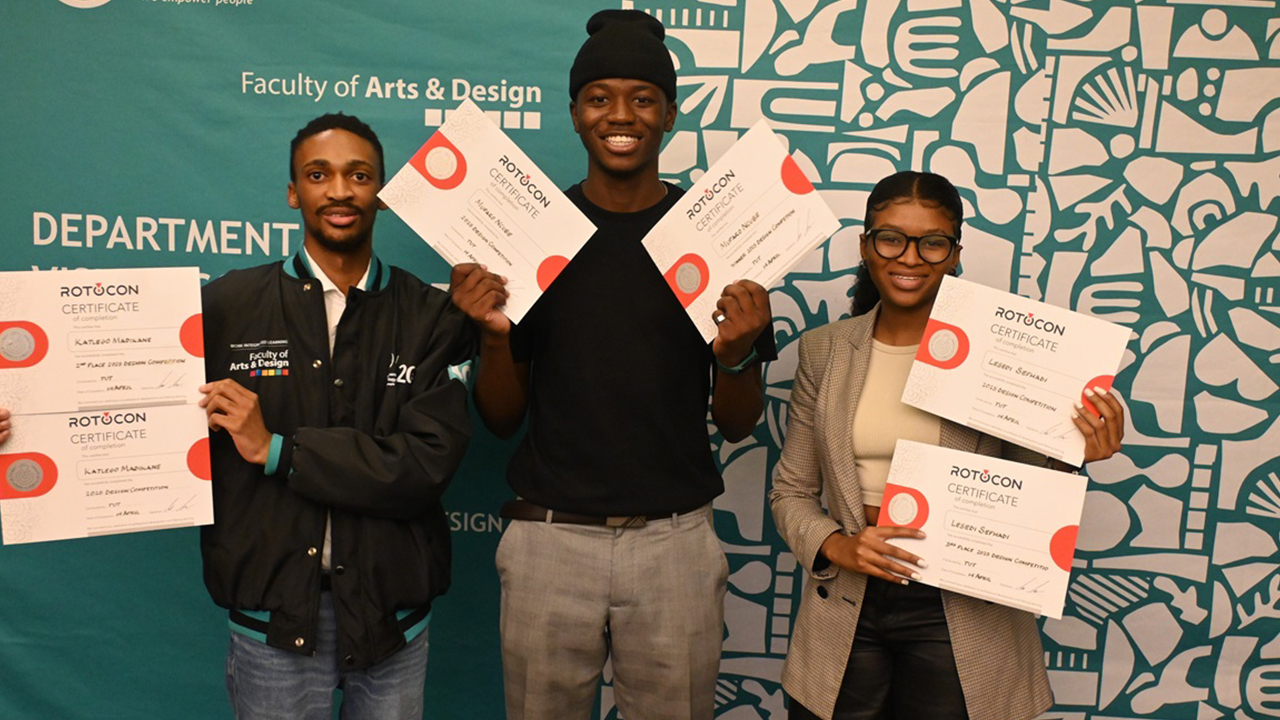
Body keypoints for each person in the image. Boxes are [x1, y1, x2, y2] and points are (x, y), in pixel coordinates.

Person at [448, 9, 776, 720]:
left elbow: (739, 422)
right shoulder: (534, 240)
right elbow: (500, 419)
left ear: (671, 114)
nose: (621, 115)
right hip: (548, 540)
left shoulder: (712, 240)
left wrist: (736, 356)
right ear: (574, 114)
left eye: (643, 98)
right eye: (600, 98)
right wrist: (495, 339)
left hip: (674, 544)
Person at [768, 171, 1125, 720]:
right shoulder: (824, 351)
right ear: (865, 245)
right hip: (847, 600)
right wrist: (838, 546)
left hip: (963, 604)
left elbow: (1030, 487)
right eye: (891, 238)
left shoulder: (999, 351)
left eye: (932, 242)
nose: (910, 258)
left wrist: (1074, 450)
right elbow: (790, 491)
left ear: (955, 253)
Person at [198, 112, 474, 720]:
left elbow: (425, 463)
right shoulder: (226, 305)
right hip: (272, 621)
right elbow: (129, 398)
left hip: (392, 620)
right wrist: (30, 416)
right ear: (293, 192)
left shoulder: (430, 315)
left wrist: (276, 449)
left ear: (382, 191)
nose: (340, 191)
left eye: (359, 175)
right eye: (319, 175)